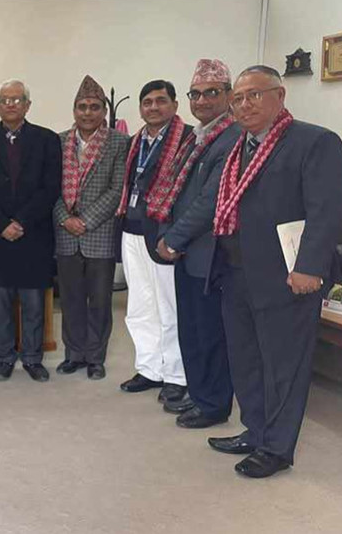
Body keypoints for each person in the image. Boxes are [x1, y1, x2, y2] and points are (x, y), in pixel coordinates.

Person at [206, 65, 342, 478]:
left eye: (254, 95)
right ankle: (255, 430)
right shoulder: (238, 147)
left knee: (284, 365)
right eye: (237, 98)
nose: (244, 105)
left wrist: (309, 267)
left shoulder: (314, 141)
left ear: (280, 96)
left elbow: (325, 212)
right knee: (246, 359)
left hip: (287, 276)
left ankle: (277, 447)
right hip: (236, 271)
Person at [153, 59, 241, 428]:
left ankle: (213, 405)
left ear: (228, 95)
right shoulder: (198, 136)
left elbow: (210, 201)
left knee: (209, 333)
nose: (202, 100)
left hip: (210, 254)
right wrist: (169, 234)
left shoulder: (232, 138)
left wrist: (173, 238)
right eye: (196, 94)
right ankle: (200, 393)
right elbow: (177, 191)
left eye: (211, 93)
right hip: (189, 252)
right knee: (191, 328)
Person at [0, 79, 61, 383]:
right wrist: (2, 224)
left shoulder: (47, 140)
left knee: (34, 304)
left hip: (33, 235)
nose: (11, 104)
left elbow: (51, 188)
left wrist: (21, 221)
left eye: (17, 99)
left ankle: (33, 358)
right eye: (5, 100)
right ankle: (5, 357)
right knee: (0, 305)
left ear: (28, 105)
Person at [116, 80, 194, 404]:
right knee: (140, 305)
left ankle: (176, 375)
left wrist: (175, 236)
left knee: (168, 307)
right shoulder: (136, 141)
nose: (153, 107)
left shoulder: (188, 139)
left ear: (175, 105)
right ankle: (149, 368)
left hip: (163, 234)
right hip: (132, 230)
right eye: (147, 102)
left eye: (161, 101)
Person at [53, 75, 129, 380]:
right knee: (70, 299)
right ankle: (74, 354)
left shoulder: (119, 142)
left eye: (94, 107)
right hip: (65, 234)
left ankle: (96, 357)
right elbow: (49, 187)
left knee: (99, 300)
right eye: (82, 107)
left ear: (104, 111)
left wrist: (85, 221)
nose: (87, 112)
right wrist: (65, 218)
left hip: (100, 233)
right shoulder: (58, 141)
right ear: (74, 110)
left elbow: (117, 188)